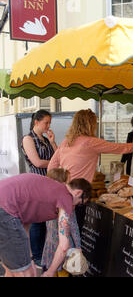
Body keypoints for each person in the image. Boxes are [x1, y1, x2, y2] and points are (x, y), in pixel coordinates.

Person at [48, 109, 133, 230]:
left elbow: (51, 168)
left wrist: (63, 182)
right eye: (95, 123)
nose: (96, 126)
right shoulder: (90, 142)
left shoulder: (66, 142)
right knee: (74, 232)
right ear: (89, 124)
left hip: (61, 193)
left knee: (62, 231)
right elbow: (121, 148)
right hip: (78, 195)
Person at [0, 173, 92, 277]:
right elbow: (63, 246)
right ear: (78, 192)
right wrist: (50, 272)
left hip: (5, 204)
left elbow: (25, 229)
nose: (76, 206)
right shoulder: (66, 197)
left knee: (11, 269)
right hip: (5, 208)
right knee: (26, 273)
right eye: (80, 203)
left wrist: (30, 259)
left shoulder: (53, 189)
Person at [21, 109, 57, 267]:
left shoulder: (45, 138)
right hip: (36, 183)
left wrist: (53, 141)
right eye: (46, 123)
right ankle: (36, 256)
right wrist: (55, 163)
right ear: (36, 122)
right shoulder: (28, 139)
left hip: (50, 183)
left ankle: (44, 253)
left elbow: (59, 155)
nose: (48, 126)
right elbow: (36, 162)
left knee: (46, 219)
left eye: (49, 123)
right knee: (37, 220)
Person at [42, 168, 80, 277]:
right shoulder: (67, 204)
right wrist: (78, 247)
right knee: (64, 272)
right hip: (65, 246)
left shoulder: (47, 201)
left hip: (50, 243)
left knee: (52, 270)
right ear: (61, 184)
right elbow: (74, 228)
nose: (71, 184)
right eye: (69, 181)